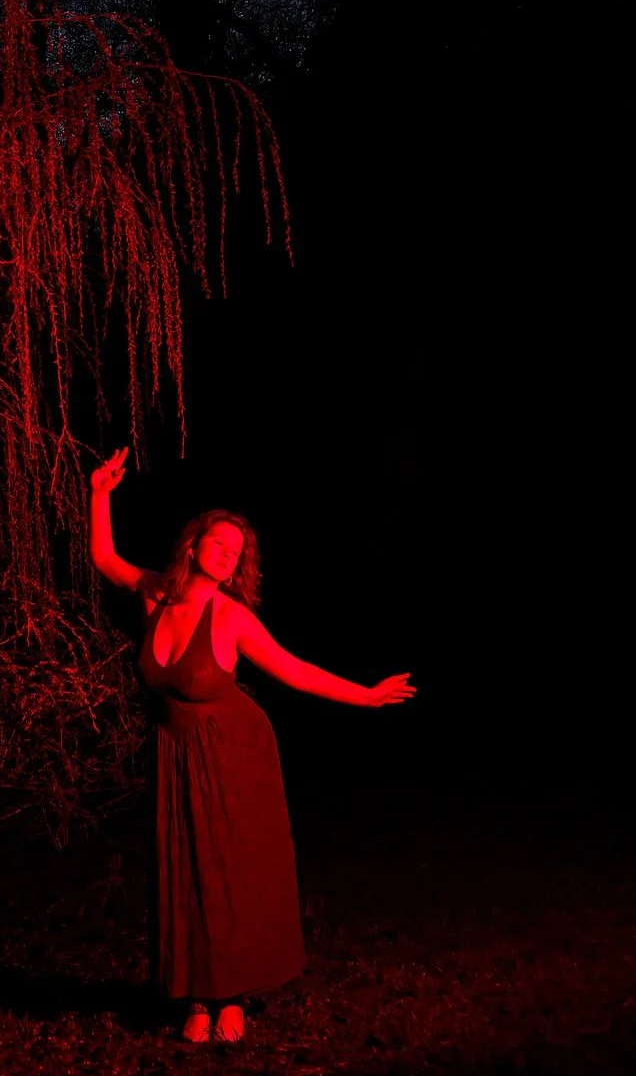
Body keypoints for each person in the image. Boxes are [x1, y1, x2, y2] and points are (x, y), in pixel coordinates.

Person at [88, 445, 414, 1045]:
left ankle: (230, 996)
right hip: (174, 753)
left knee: (227, 871)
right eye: (219, 543)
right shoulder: (157, 593)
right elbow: (104, 557)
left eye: (235, 552)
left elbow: (294, 670)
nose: (227, 553)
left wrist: (365, 696)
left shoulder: (231, 616)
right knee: (182, 869)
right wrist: (101, 493)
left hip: (233, 754)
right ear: (193, 545)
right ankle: (193, 999)